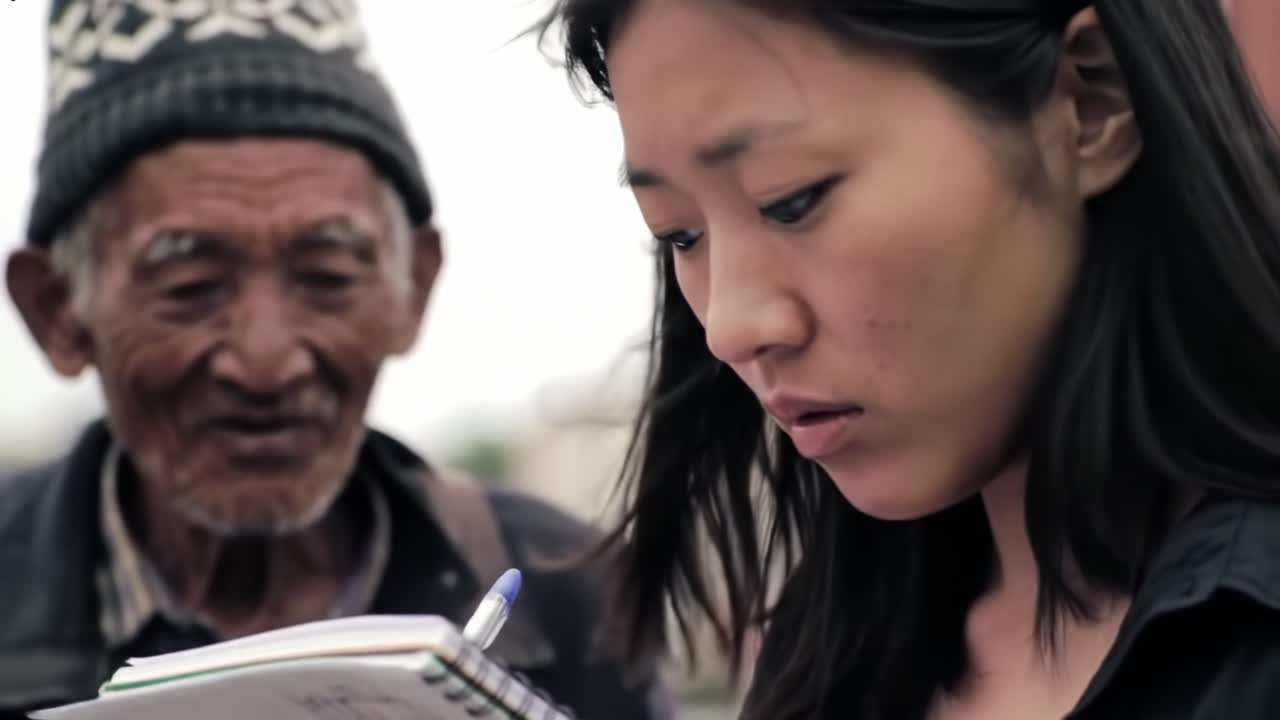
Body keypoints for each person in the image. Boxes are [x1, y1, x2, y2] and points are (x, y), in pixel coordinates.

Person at [538, 0, 1280, 718]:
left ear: (1088, 101)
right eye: (681, 235)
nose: (728, 328)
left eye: (790, 200)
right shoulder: (827, 658)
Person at [0, 2, 671, 719]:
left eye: (327, 276)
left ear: (413, 285)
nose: (266, 362)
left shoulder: (570, 591)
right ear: (57, 310)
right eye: (189, 286)